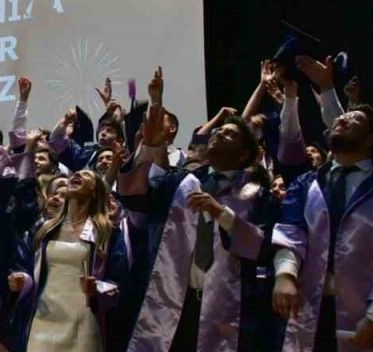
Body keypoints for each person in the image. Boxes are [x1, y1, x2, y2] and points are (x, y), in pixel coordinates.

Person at [118, 68, 278, 352]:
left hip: (230, 307)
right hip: (175, 303)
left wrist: (223, 215)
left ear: (245, 153)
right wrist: (149, 146)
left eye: (229, 134)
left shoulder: (258, 195)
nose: (218, 134)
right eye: (218, 131)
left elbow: (263, 247)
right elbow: (134, 198)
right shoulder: (183, 182)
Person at [271, 86, 373, 352]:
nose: (342, 120)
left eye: (354, 118)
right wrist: (285, 275)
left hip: (367, 313)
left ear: (370, 140)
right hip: (306, 305)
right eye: (340, 118)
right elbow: (292, 230)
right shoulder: (307, 182)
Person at [9, 167, 129, 352]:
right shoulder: (44, 229)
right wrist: (20, 280)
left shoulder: (107, 233)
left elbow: (118, 279)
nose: (78, 175)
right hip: (43, 319)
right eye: (76, 173)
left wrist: (97, 288)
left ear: (94, 193)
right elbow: (24, 265)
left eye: (86, 175)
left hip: (83, 323)